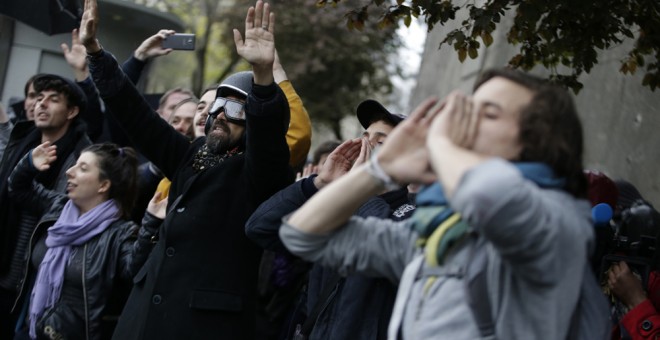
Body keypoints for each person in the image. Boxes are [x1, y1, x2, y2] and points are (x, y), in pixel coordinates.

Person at [278, 68, 608, 338]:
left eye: (487, 113)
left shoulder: (562, 223)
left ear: (539, 140)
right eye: (466, 111)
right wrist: (379, 171)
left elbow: (499, 203)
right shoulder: (438, 237)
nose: (464, 123)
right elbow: (302, 233)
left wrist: (439, 144)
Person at [80, 0, 292, 338]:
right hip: (142, 318)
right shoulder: (190, 154)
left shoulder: (262, 173)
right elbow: (136, 114)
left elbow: (269, 146)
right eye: (216, 105)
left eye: (236, 107)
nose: (220, 114)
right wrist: (94, 52)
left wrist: (264, 77)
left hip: (202, 328)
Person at [247, 99, 414, 340]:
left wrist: (362, 186)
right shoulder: (336, 206)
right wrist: (318, 185)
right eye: (364, 137)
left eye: (380, 143)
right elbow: (260, 228)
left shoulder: (412, 217)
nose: (364, 147)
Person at [8, 142, 159, 339]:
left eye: (83, 168)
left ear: (103, 185)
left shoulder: (120, 234)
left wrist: (151, 223)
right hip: (31, 329)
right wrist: (29, 163)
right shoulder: (58, 207)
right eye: (75, 165)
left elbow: (135, 271)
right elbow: (18, 189)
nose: (70, 172)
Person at [0, 74, 92, 339]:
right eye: (39, 98)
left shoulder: (80, 157)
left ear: (72, 111)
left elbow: (62, 213)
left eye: (53, 100)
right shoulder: (22, 138)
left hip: (32, 275)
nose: (42, 104)